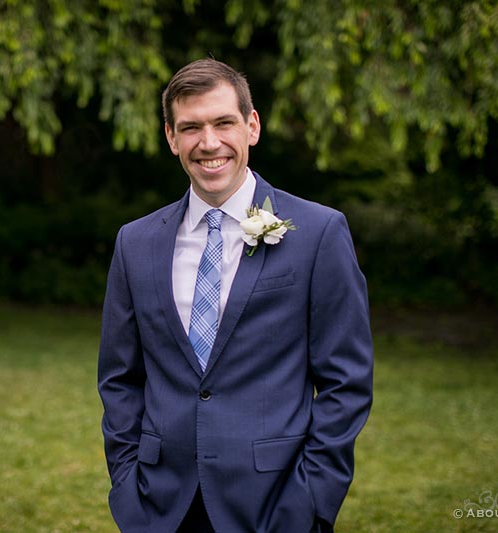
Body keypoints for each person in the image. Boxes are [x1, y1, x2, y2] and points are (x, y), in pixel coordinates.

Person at [97, 58, 373, 533]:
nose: (209, 143)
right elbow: (120, 378)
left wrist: (310, 502)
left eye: (223, 122)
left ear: (252, 126)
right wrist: (127, 486)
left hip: (274, 505)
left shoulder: (319, 233)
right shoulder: (135, 243)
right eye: (190, 128)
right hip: (160, 507)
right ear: (170, 137)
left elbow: (345, 382)